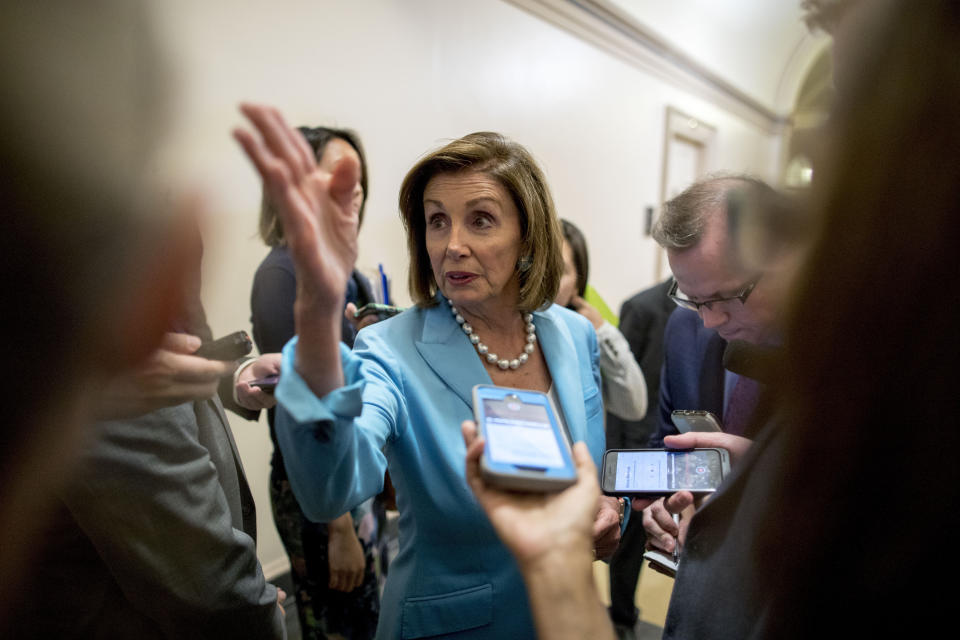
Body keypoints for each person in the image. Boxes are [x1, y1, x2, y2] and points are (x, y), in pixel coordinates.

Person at [234, 111, 621, 638]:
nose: (452, 243)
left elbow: (586, 472)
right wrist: (319, 319)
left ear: (529, 236)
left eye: (480, 219)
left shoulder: (572, 335)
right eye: (437, 220)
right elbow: (331, 487)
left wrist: (601, 512)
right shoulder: (390, 349)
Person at [246, 126, 379, 640]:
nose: (356, 190)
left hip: (352, 475)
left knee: (366, 614)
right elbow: (296, 409)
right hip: (316, 488)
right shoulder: (280, 275)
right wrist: (339, 525)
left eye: (359, 180)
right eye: (340, 177)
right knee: (335, 623)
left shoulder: (348, 273)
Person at [641, 174, 789, 560]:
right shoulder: (683, 328)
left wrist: (759, 469)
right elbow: (669, 439)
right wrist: (668, 501)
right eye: (693, 299)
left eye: (725, 297)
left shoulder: (844, 348)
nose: (710, 321)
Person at [603, 278, 674, 637]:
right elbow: (617, 394)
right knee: (626, 548)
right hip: (634, 451)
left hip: (671, 448)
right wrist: (612, 461)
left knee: (663, 540)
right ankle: (622, 616)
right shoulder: (642, 307)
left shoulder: (704, 310)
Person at [556, 219, 648, 422]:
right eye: (537, 266)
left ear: (577, 285)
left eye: (559, 271)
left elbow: (634, 407)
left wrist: (603, 332)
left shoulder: (589, 326)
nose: (544, 280)